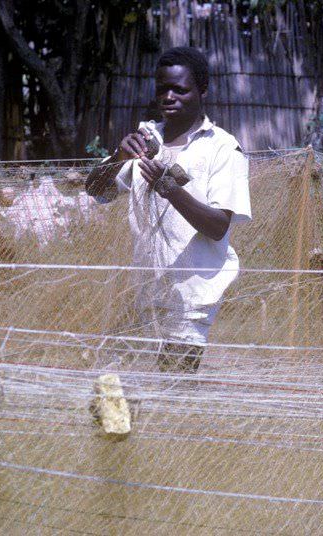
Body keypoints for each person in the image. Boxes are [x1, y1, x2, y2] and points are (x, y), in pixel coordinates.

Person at [86, 47, 251, 372]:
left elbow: (218, 226)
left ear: (202, 91)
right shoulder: (146, 140)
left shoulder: (221, 148)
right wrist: (119, 156)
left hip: (190, 295)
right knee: (117, 386)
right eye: (162, 89)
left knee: (171, 385)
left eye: (180, 89)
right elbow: (95, 190)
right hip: (145, 289)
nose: (169, 96)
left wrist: (171, 189)